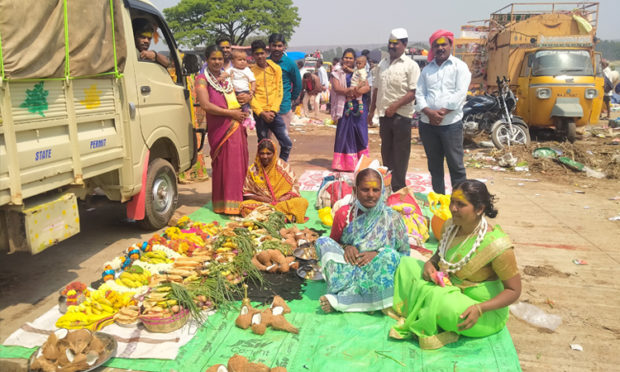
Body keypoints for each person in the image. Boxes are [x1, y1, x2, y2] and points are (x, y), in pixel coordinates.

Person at [389, 179, 521, 349]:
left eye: (461, 204)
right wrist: (430, 263)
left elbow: (514, 291)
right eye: (452, 201)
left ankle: (428, 306)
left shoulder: (497, 245)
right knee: (405, 264)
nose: (452, 208)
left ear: (480, 209)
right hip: (447, 286)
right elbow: (439, 255)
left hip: (478, 310)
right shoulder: (450, 227)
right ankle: (429, 306)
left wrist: (480, 308)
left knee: (446, 306)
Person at [316, 167, 410, 313]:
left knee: (389, 256)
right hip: (349, 266)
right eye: (365, 190)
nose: (371, 195)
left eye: (376, 190)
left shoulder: (392, 217)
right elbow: (333, 243)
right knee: (322, 242)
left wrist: (378, 253)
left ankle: (344, 299)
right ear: (355, 190)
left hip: (376, 269)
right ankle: (368, 299)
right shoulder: (344, 214)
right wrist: (346, 247)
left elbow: (404, 253)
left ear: (382, 191)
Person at [195, 45, 249, 215]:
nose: (217, 62)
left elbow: (233, 98)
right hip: (221, 127)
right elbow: (205, 105)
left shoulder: (226, 78)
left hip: (235, 125)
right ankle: (224, 204)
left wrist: (246, 98)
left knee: (238, 164)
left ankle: (238, 202)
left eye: (219, 59)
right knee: (224, 164)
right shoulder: (202, 79)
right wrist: (231, 113)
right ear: (207, 60)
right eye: (213, 58)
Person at [416, 30, 471, 194]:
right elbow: (419, 93)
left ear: (450, 46)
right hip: (427, 125)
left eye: (443, 45)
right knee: (434, 166)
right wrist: (429, 112)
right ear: (432, 48)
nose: (440, 48)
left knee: (456, 166)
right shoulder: (427, 70)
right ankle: (439, 201)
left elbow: (460, 93)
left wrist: (441, 112)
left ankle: (459, 202)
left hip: (450, 125)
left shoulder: (459, 67)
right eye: (436, 45)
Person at [368, 28, 420, 192]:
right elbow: (376, 89)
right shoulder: (382, 64)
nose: (392, 47)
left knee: (400, 154)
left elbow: (413, 92)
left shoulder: (411, 66)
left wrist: (395, 106)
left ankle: (398, 188)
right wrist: (371, 112)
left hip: (401, 117)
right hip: (384, 116)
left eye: (395, 44)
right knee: (386, 151)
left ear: (404, 45)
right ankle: (388, 186)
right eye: (390, 43)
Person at [240, 139, 309, 222]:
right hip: (263, 204)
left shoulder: (283, 167)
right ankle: (286, 217)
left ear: (274, 153)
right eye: (262, 153)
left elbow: (294, 186)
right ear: (258, 154)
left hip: (282, 203)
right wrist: (262, 198)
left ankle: (268, 217)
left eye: (268, 153)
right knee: (244, 206)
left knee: (302, 202)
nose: (265, 156)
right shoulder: (252, 170)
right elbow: (247, 193)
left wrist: (285, 197)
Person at [249, 40, 293, 161]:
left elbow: (279, 91)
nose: (260, 56)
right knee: (263, 146)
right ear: (253, 55)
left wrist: (273, 110)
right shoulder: (250, 72)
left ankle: (280, 167)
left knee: (287, 143)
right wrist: (261, 113)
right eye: (256, 54)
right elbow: (250, 96)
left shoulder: (276, 69)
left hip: (274, 113)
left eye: (262, 53)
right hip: (260, 114)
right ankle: (264, 170)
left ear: (266, 52)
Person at [331, 49, 370, 171]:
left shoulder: (359, 72)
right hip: (345, 105)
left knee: (360, 131)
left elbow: (367, 87)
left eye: (350, 58)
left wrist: (356, 92)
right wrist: (348, 92)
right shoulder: (337, 72)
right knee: (345, 133)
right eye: (346, 58)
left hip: (359, 105)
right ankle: (344, 164)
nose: (348, 60)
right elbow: (336, 88)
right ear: (342, 59)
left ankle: (362, 162)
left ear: (355, 60)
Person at [179, 53, 209, 183]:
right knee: (196, 143)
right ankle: (197, 173)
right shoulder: (198, 79)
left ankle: (188, 174)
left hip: (186, 117)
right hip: (196, 117)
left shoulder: (180, 78)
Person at [269, 34, 302, 131]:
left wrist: (291, 98)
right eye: (274, 46)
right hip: (267, 108)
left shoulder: (290, 63)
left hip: (284, 106)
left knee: (284, 140)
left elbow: (298, 83)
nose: (277, 48)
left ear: (284, 47)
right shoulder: (265, 62)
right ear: (269, 46)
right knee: (266, 141)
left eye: (279, 46)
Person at [230, 49, 256, 129]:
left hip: (244, 91)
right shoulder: (231, 70)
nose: (242, 61)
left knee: (245, 106)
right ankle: (246, 119)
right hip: (234, 92)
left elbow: (253, 81)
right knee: (238, 108)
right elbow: (226, 75)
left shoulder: (247, 70)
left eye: (244, 60)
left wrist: (252, 91)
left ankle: (250, 120)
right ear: (233, 61)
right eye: (240, 60)